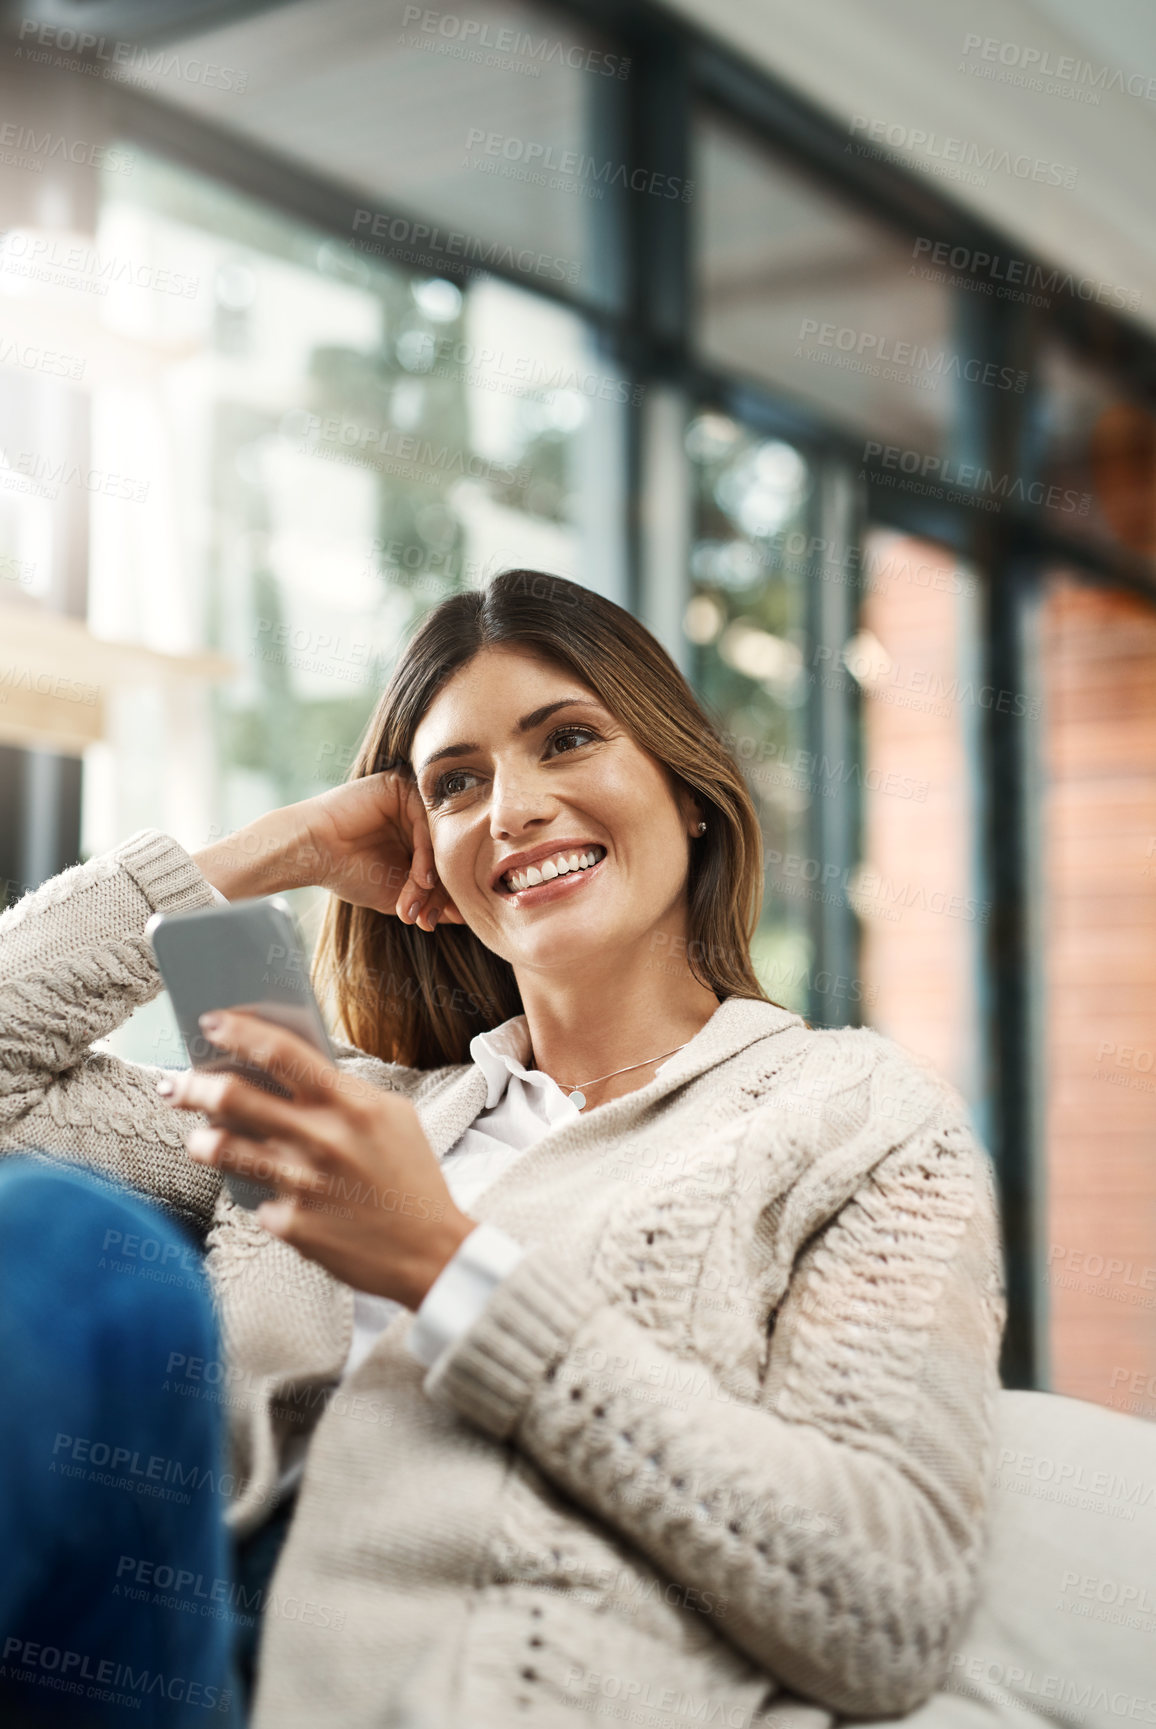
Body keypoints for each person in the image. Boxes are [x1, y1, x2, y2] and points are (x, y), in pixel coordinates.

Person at [0, 567, 1008, 1729]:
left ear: (688, 791)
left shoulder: (856, 1116)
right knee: (60, 1236)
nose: (511, 809)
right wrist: (290, 844)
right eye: (455, 784)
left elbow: (889, 1607)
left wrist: (445, 1266)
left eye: (567, 739)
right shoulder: (349, 1111)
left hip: (435, 1693)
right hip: (150, 1643)